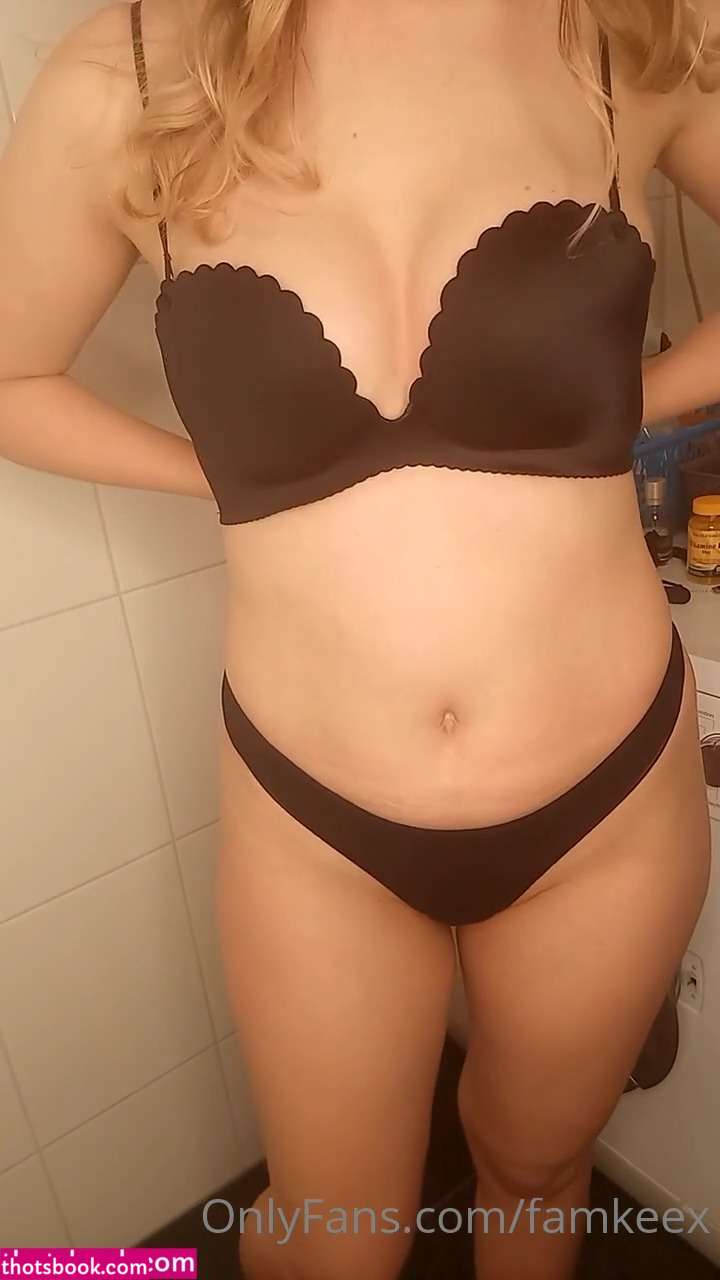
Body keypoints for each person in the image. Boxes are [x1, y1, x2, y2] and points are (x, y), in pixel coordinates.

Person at [0, 1, 718, 1277]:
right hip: (314, 819)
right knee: (337, 1238)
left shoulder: (627, 30)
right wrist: (222, 471)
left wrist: (621, 407)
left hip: (606, 798)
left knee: (536, 1166)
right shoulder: (136, 66)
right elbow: (10, 375)